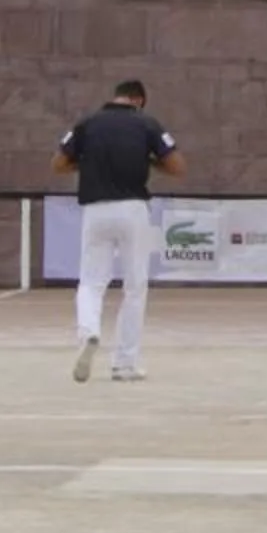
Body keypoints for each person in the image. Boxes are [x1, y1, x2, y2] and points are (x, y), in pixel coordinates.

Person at [57, 78, 181, 383]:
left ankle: (89, 332)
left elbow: (58, 163)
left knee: (91, 282)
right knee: (134, 286)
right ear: (138, 100)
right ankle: (125, 363)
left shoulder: (87, 123)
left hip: (95, 209)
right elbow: (177, 166)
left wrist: (85, 164)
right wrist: (150, 161)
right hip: (133, 209)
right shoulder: (147, 124)